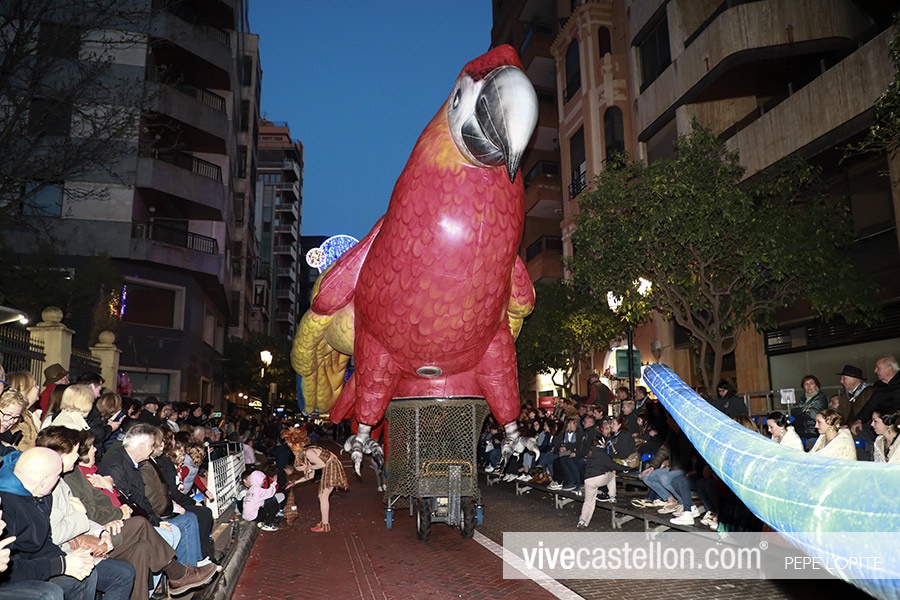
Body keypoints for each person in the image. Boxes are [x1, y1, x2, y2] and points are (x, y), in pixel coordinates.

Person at [98, 424, 204, 567]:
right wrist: (156, 522)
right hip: (124, 523)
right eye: (152, 445)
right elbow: (130, 503)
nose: (153, 449)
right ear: (141, 446)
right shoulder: (117, 467)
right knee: (172, 532)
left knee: (185, 521)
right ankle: (183, 571)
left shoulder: (131, 462)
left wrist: (156, 520)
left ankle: (188, 568)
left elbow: (141, 499)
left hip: (144, 517)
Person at [0, 446, 99, 599]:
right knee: (49, 594)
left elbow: (43, 541)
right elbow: (10, 568)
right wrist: (61, 565)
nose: (59, 480)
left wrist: (70, 560)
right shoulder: (5, 504)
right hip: (8, 576)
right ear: (43, 481)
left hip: (31, 566)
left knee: (86, 576)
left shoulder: (43, 495)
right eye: (58, 475)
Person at [282, 427, 348, 533]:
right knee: (322, 496)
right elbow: (310, 476)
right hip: (329, 466)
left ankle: (325, 525)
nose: (292, 451)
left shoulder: (308, 452)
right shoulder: (305, 454)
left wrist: (306, 468)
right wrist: (295, 482)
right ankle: (323, 522)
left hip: (331, 466)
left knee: (323, 496)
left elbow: (322, 464)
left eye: (292, 447)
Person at [575, 443, 628, 529]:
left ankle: (582, 520)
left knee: (588, 501)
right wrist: (627, 468)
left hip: (588, 480)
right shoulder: (602, 454)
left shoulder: (590, 453)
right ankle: (612, 496)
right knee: (612, 475)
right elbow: (612, 465)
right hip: (599, 478)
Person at [853, 356, 900, 438]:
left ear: (889, 367)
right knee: (859, 430)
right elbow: (871, 404)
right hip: (882, 422)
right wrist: (860, 420)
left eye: (878, 368)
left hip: (895, 423)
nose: (875, 371)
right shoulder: (879, 385)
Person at [790, 375, 829, 445]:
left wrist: (802, 411)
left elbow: (814, 414)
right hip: (801, 431)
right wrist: (804, 410)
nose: (809, 386)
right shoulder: (803, 398)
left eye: (811, 383)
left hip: (814, 431)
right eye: (806, 384)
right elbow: (793, 411)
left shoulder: (821, 397)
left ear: (816, 385)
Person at [6, 372, 41, 450]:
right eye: (35, 385)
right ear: (24, 389)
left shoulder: (27, 415)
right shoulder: (14, 419)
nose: (38, 387)